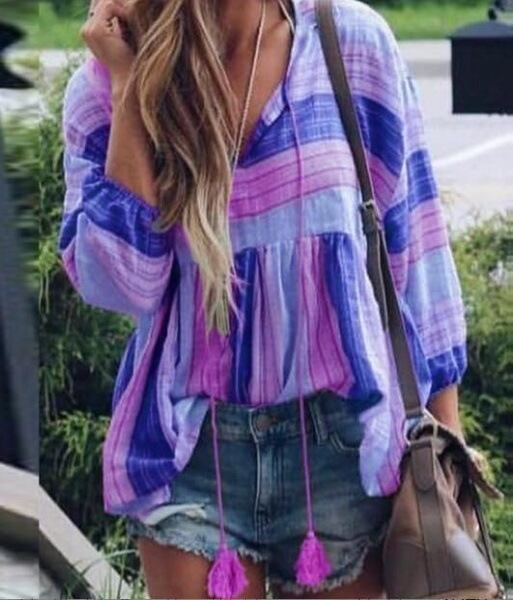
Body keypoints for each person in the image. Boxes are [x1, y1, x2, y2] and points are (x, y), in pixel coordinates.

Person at [57, 0, 469, 598]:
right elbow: (123, 285)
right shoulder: (104, 85)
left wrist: (447, 445)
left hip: (343, 446)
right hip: (190, 447)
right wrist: (128, 90)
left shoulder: (348, 45)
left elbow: (416, 245)